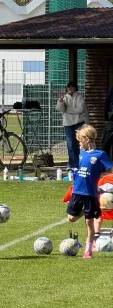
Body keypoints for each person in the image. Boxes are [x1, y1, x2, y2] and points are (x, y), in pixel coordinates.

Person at [66, 124, 113, 259]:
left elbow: (110, 169)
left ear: (87, 139)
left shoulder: (100, 155)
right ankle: (87, 211)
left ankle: (88, 250)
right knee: (71, 218)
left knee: (89, 223)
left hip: (90, 193)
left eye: (80, 140)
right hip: (77, 192)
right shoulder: (81, 153)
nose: (79, 143)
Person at [57, 81, 89, 170]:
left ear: (75, 88)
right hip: (68, 124)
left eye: (72, 87)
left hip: (79, 123)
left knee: (81, 143)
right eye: (68, 87)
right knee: (70, 145)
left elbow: (80, 109)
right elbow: (60, 109)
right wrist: (60, 101)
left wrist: (68, 110)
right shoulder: (65, 97)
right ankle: (73, 165)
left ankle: (83, 163)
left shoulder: (79, 96)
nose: (70, 89)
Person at [101, 86, 113, 158]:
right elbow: (107, 105)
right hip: (111, 119)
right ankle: (106, 163)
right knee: (106, 142)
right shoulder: (111, 91)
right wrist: (106, 118)